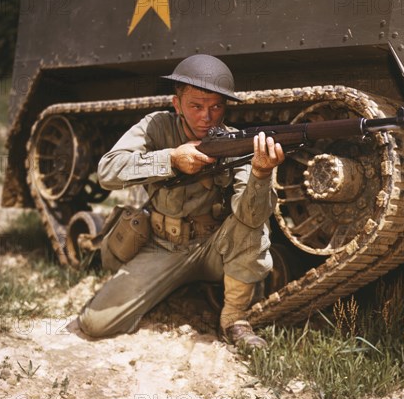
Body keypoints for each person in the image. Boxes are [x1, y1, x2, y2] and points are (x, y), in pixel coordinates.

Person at [77, 54, 284, 348]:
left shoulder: (236, 142)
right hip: (161, 244)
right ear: (177, 105)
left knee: (251, 228)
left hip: (214, 247)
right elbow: (107, 171)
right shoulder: (157, 127)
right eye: (196, 106)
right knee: (95, 323)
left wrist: (261, 174)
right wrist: (170, 159)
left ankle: (234, 318)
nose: (206, 116)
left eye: (216, 107)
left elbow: (251, 217)